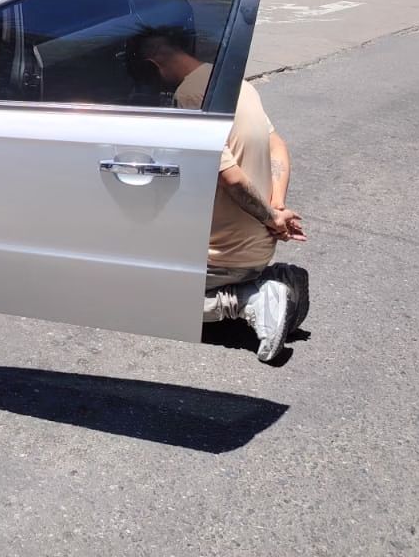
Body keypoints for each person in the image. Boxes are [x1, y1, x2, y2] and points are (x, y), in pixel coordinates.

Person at [132, 27, 308, 362]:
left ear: (154, 66)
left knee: (133, 293)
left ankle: (247, 299)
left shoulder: (189, 97)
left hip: (223, 256)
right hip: (257, 245)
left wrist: (271, 217)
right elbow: (277, 147)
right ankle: (270, 279)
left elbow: (232, 180)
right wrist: (277, 210)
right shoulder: (239, 85)